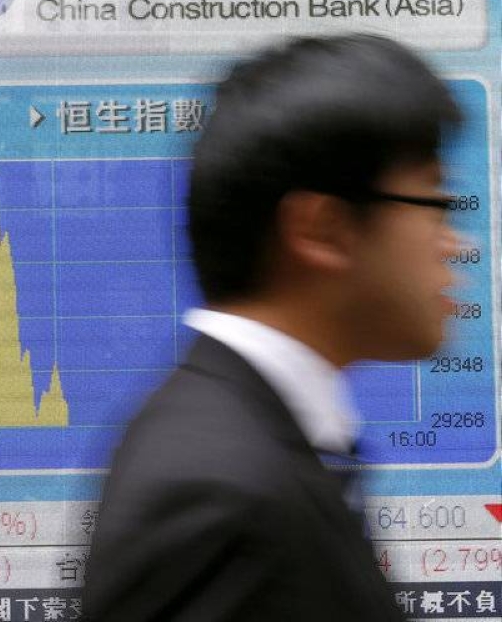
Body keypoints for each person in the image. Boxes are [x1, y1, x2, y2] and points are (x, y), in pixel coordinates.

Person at [83, 34, 461, 621]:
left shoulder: (259, 439)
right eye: (432, 199)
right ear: (321, 229)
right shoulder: (214, 492)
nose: (453, 243)